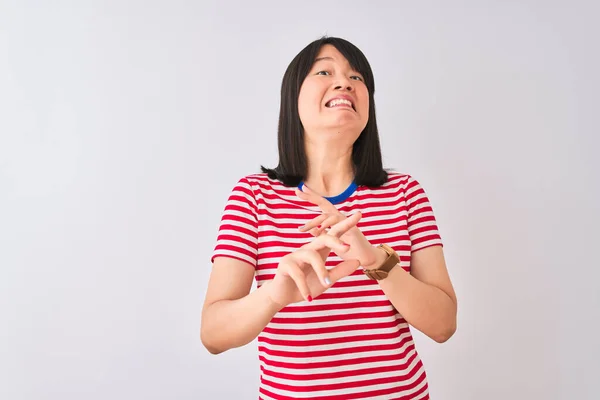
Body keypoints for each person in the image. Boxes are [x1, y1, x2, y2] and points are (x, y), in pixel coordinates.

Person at [201, 36, 457, 400]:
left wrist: (376, 261)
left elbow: (444, 324)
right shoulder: (253, 195)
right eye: (325, 71)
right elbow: (212, 335)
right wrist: (273, 295)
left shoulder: (405, 192)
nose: (345, 83)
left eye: (357, 78)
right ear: (293, 98)